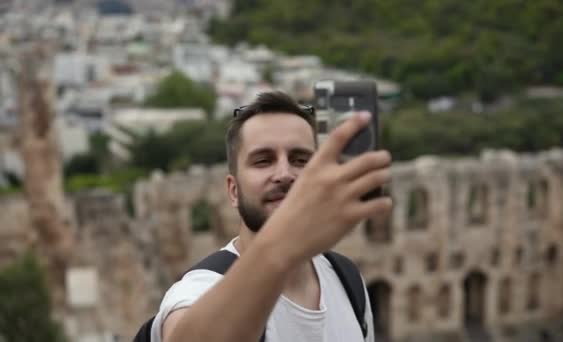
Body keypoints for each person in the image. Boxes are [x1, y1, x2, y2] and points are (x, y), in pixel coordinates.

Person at [150, 91, 393, 342]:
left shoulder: (347, 281)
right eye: (263, 161)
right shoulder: (202, 289)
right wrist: (283, 246)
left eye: (300, 160)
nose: (284, 173)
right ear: (233, 191)